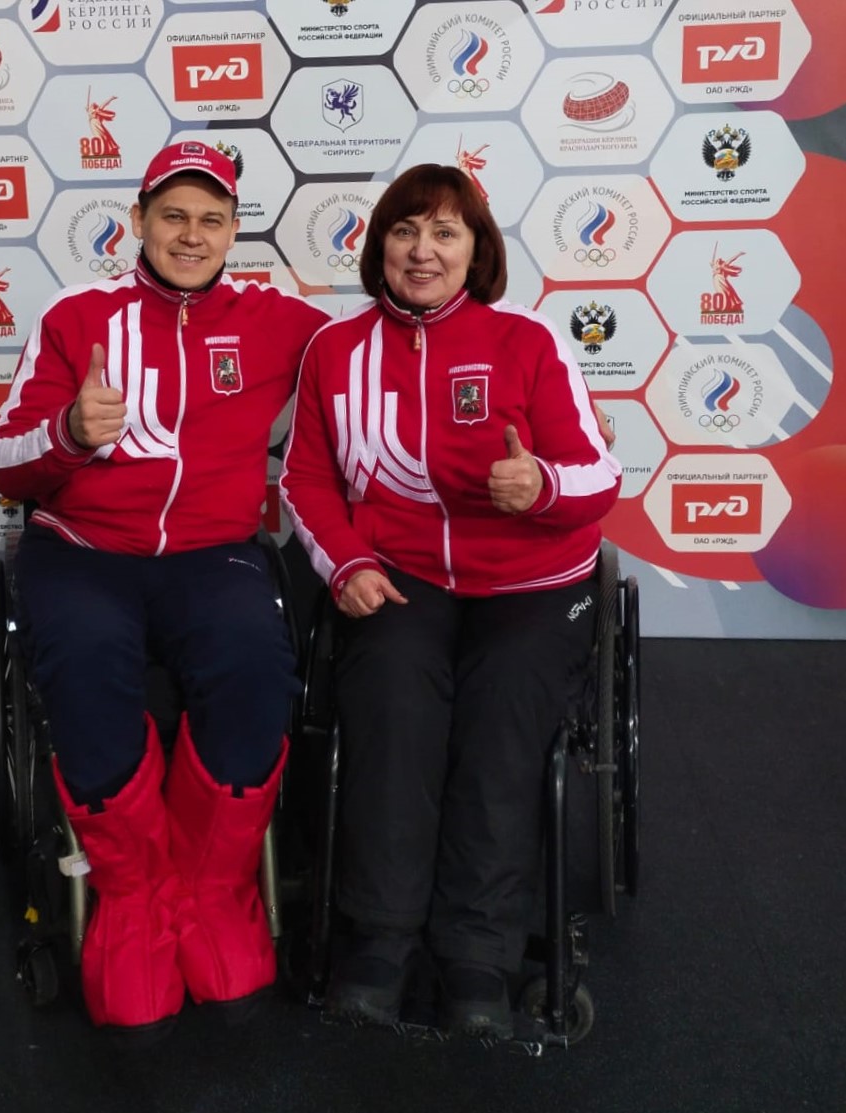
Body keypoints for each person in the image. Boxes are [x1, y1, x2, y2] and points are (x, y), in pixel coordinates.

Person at [0, 142, 329, 1035]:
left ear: (234, 231)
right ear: (137, 220)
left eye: (211, 219)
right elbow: (4, 464)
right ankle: (133, 896)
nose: (191, 234)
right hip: (84, 549)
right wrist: (70, 430)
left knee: (255, 663)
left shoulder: (278, 321)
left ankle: (212, 893)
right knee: (87, 661)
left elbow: (389, 356)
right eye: (173, 215)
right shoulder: (76, 316)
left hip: (213, 552)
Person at [279, 164, 622, 1038]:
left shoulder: (527, 339)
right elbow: (306, 481)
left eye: (444, 232)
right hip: (402, 576)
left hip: (529, 581)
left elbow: (599, 473)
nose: (421, 250)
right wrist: (345, 563)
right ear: (379, 247)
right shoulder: (334, 351)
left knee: (501, 721)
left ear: (476, 251)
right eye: (404, 231)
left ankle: (477, 950)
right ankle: (379, 937)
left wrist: (539, 486)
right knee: (391, 706)